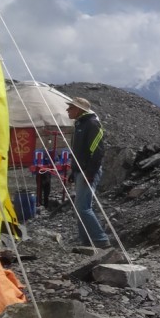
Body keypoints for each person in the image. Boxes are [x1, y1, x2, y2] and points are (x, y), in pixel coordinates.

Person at [66, 96, 109, 248]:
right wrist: (74, 171)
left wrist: (89, 172)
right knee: (80, 207)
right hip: (81, 171)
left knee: (83, 207)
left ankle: (101, 240)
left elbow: (97, 151)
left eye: (70, 107)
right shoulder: (80, 124)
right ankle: (86, 241)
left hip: (87, 171)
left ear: (78, 109)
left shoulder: (91, 124)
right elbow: (79, 152)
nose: (67, 110)